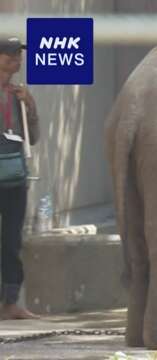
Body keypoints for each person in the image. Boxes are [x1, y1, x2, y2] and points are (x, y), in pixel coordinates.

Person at [0, 36, 39, 320]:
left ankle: (11, 302)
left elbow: (32, 138)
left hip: (14, 178)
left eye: (19, 54)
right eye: (10, 53)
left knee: (12, 240)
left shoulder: (18, 94)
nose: (17, 58)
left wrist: (31, 106)